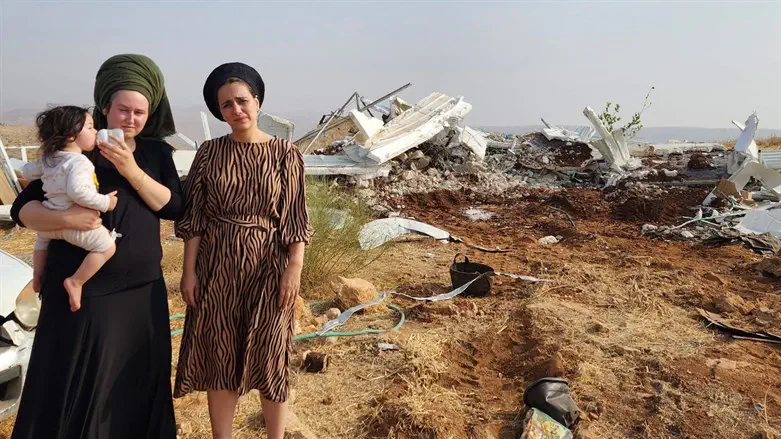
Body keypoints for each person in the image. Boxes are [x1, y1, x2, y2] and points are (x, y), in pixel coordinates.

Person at [10, 54, 182, 439]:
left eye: (140, 111)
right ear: (105, 107)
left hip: (142, 292)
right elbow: (24, 209)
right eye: (123, 109)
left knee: (134, 385)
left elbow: (172, 206)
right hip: (85, 291)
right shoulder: (78, 148)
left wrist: (129, 168)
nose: (131, 119)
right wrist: (68, 220)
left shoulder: (155, 154)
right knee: (77, 383)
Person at [174, 62, 312, 439]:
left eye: (242, 101)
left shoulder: (285, 154)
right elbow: (195, 219)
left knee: (270, 356)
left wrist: (294, 268)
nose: (236, 110)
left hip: (269, 266)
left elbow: (296, 218)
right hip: (217, 265)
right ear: (220, 112)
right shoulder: (209, 152)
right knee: (220, 354)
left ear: (258, 101)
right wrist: (189, 272)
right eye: (226, 105)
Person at [22, 106, 119, 311]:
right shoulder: (80, 162)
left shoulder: (49, 159)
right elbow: (78, 192)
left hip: (49, 221)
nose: (95, 131)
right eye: (90, 127)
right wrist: (105, 202)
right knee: (106, 247)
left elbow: (28, 171)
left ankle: (38, 277)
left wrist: (39, 166)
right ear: (72, 135)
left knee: (41, 245)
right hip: (75, 228)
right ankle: (76, 282)